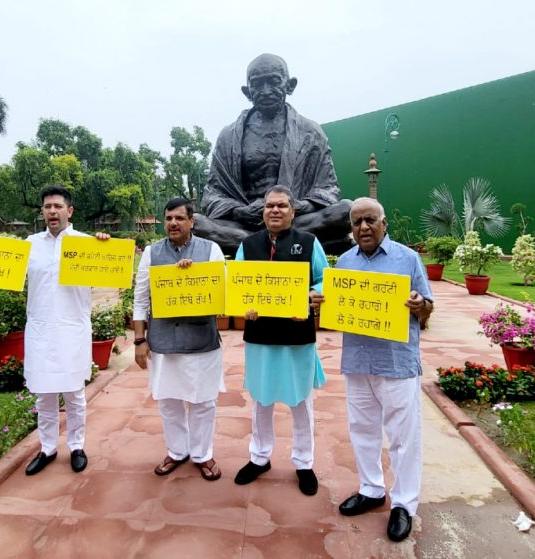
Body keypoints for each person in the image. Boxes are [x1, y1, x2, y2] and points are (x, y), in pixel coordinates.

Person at [336, 197, 434, 542]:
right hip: (358, 360)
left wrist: (420, 305)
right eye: (356, 222)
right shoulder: (345, 263)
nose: (363, 227)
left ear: (383, 223)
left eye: (369, 220)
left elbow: (428, 307)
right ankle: (371, 489)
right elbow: (337, 309)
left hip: (396, 362)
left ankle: (404, 504)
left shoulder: (407, 259)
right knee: (362, 430)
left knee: (403, 438)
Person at [0, 184, 93, 476]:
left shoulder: (87, 244)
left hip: (73, 328)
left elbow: (110, 267)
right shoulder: (29, 245)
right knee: (43, 395)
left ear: (70, 211)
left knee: (74, 393)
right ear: (42, 211)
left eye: (58, 206)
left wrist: (104, 244)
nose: (52, 211)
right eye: (47, 207)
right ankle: (47, 448)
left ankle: (77, 446)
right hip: (41, 329)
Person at [194, 53, 352, 256]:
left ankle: (252, 246)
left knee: (347, 210)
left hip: (295, 219)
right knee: (195, 222)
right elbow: (213, 194)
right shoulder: (228, 136)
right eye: (257, 84)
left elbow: (328, 189)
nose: (265, 91)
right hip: (245, 223)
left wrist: (295, 206)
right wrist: (238, 211)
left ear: (290, 85)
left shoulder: (310, 132)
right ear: (247, 91)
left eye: (274, 81)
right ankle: (286, 244)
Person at [233, 185, 327, 496]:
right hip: (260, 336)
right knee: (261, 399)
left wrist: (312, 297)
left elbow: (322, 279)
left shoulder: (309, 242)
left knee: (301, 401)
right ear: (263, 211)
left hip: (297, 335)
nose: (275, 210)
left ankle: (303, 462)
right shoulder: (248, 245)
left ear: (293, 211)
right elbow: (239, 284)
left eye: (282, 206)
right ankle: (259, 457)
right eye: (270, 206)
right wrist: (242, 305)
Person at [133, 197, 226, 481]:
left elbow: (222, 296)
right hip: (163, 341)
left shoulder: (210, 250)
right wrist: (139, 340)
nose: (173, 223)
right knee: (169, 401)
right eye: (169, 218)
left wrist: (194, 275)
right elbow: (140, 297)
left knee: (203, 401)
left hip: (202, 341)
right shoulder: (152, 252)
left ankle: (202, 453)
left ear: (191, 222)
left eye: (179, 218)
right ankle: (176, 451)